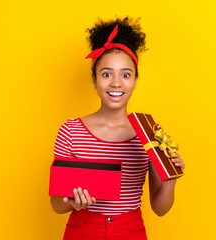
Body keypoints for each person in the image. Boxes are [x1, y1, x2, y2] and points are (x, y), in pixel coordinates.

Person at [50, 16, 185, 240]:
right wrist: (73, 202)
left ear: (135, 81)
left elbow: (160, 208)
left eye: (125, 74)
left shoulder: (150, 131)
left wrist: (170, 180)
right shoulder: (70, 130)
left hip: (131, 231)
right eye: (106, 74)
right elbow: (56, 204)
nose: (116, 83)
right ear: (94, 80)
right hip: (83, 229)